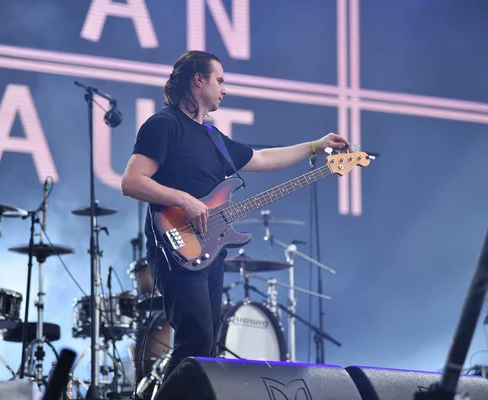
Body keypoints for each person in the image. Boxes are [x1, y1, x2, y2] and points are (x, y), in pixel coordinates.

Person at [120, 50, 351, 382]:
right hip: (174, 246)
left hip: (210, 252)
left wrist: (315, 146)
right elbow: (132, 181)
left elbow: (264, 158)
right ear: (198, 81)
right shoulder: (164, 124)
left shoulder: (214, 138)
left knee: (206, 348)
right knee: (194, 340)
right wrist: (185, 200)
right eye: (220, 80)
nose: (225, 89)